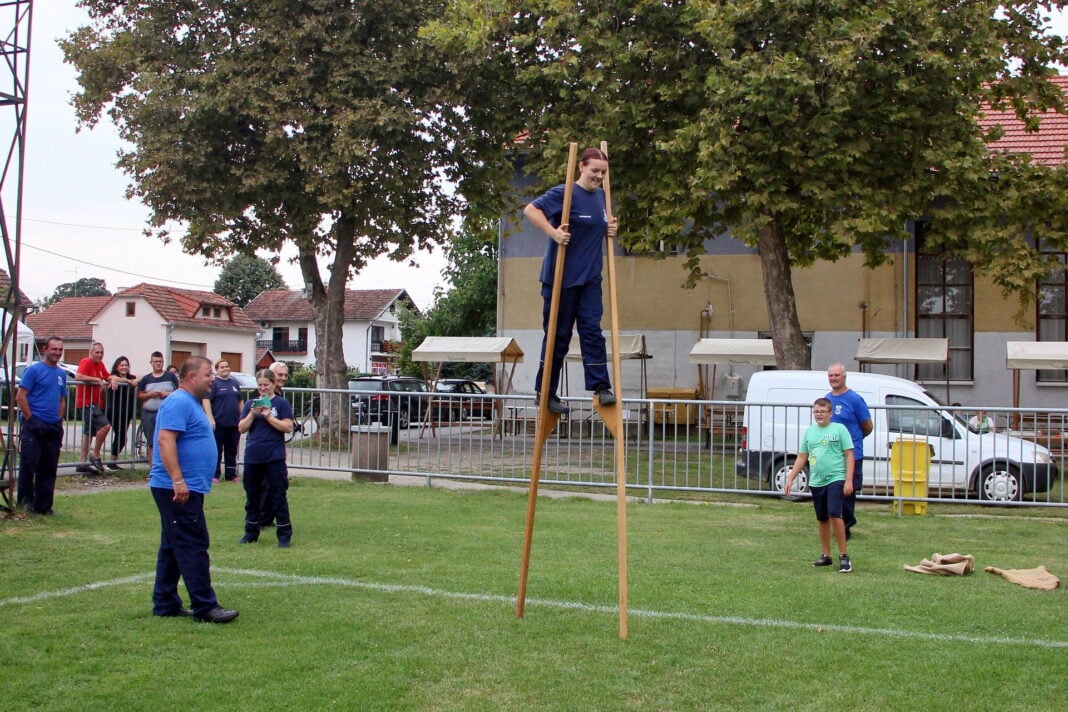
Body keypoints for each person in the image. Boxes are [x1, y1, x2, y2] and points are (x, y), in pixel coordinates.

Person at [524, 146, 619, 415]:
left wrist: (610, 227)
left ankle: (601, 388)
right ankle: (545, 392)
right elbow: (531, 210)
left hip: (590, 278)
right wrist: (554, 233)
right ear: (581, 167)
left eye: (603, 172)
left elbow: (600, 225)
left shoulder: (602, 197)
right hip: (560, 278)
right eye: (594, 171)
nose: (598, 176)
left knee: (592, 332)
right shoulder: (564, 193)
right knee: (559, 337)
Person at [148, 355, 239, 623]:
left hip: (185, 486)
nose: (212, 378)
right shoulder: (178, 401)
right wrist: (178, 480)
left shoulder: (191, 402)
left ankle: (165, 603)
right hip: (176, 487)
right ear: (190, 377)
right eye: (207, 374)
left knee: (172, 544)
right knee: (192, 543)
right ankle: (205, 606)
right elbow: (165, 441)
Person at [784, 398, 855, 573]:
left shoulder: (839, 430)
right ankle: (826, 555)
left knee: (834, 514)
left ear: (830, 413)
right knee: (822, 517)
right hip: (817, 481)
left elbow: (849, 455)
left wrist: (848, 480)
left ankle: (844, 556)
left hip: (836, 478)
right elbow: (802, 457)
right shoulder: (810, 432)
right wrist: (790, 478)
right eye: (816, 412)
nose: (819, 415)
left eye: (822, 412)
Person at [238, 368, 294, 547]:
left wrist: (269, 416)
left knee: (277, 494)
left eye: (266, 385)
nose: (262, 388)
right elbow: (241, 428)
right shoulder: (250, 404)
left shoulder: (281, 403)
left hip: (274, 456)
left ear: (272, 384)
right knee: (252, 495)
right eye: (260, 385)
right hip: (253, 455)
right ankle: (251, 532)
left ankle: (284, 535)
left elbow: (287, 427)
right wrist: (252, 415)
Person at [16, 336, 68, 515]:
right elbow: (21, 396)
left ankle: (44, 505)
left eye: (60, 349)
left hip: (52, 425)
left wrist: (59, 419)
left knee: (49, 466)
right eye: (54, 349)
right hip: (34, 424)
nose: (57, 353)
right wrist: (31, 419)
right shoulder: (34, 370)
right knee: (29, 464)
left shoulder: (61, 374)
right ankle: (25, 503)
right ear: (45, 349)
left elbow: (62, 399)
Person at [825, 363, 873, 540]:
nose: (834, 379)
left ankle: (845, 527)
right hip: (832, 454)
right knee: (833, 489)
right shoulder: (828, 399)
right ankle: (837, 524)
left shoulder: (855, 399)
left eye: (837, 375)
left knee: (848, 491)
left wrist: (853, 441)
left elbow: (867, 426)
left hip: (852, 454)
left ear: (844, 377)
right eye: (831, 376)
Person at [258, 361, 290, 525]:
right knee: (265, 484)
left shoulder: (281, 397)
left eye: (285, 375)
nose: (283, 378)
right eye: (279, 375)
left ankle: (270, 516)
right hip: (262, 448)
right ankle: (263, 518)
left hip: (276, 446)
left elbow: (286, 425)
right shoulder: (264, 397)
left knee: (279, 482)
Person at [74, 342, 114, 474]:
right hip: (87, 402)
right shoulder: (86, 361)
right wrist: (96, 379)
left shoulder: (100, 364)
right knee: (105, 426)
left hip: (97, 403)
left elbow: (107, 376)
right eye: (97, 352)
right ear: (91, 352)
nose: (100, 355)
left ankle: (82, 462)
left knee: (88, 433)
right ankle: (95, 455)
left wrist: (111, 379)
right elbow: (78, 376)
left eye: (101, 352)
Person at [203, 359, 243, 482]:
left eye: (227, 366)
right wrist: (210, 418)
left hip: (234, 423)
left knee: (232, 449)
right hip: (219, 423)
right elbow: (206, 400)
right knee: (217, 449)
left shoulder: (234, 383)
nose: (225, 369)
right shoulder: (214, 383)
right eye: (222, 367)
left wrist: (243, 417)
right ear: (217, 370)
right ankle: (215, 474)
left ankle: (231, 474)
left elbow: (240, 400)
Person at [138, 352, 179, 463]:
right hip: (149, 414)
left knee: (167, 441)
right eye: (156, 361)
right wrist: (150, 394)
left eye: (160, 361)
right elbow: (140, 395)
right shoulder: (146, 379)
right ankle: (153, 471)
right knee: (152, 443)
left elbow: (180, 391)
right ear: (151, 363)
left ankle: (168, 469)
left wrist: (168, 394)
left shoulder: (170, 377)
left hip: (167, 413)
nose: (158, 363)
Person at [104, 356, 139, 469]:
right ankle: (111, 462)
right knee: (121, 436)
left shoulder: (131, 377)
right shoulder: (113, 377)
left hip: (126, 412)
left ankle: (113, 461)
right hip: (114, 411)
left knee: (122, 437)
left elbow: (142, 378)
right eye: (122, 365)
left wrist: (136, 380)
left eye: (126, 365)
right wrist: (126, 381)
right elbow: (110, 377)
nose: (124, 367)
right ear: (117, 367)